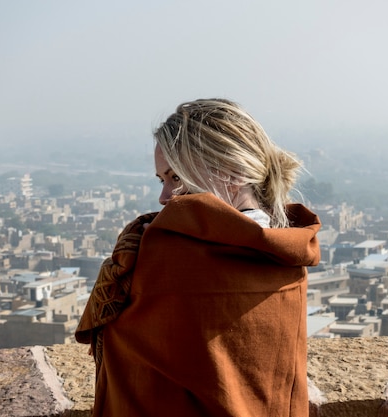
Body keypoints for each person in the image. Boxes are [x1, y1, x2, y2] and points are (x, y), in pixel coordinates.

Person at [75, 98, 321, 417]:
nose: (164, 197)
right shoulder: (289, 248)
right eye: (162, 180)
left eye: (175, 178)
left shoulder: (162, 251)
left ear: (233, 171)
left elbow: (120, 344)